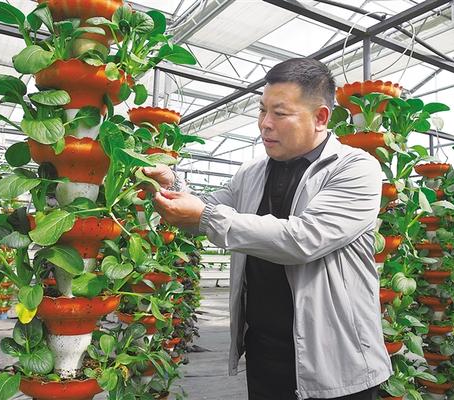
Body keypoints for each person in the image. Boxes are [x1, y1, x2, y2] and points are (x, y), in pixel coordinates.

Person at [143, 57, 392, 400]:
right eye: (262, 111)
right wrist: (171, 184)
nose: (265, 124)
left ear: (321, 118)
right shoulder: (251, 173)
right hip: (264, 353)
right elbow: (207, 205)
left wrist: (206, 217)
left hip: (336, 362)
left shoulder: (355, 168)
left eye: (280, 113)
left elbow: (303, 239)